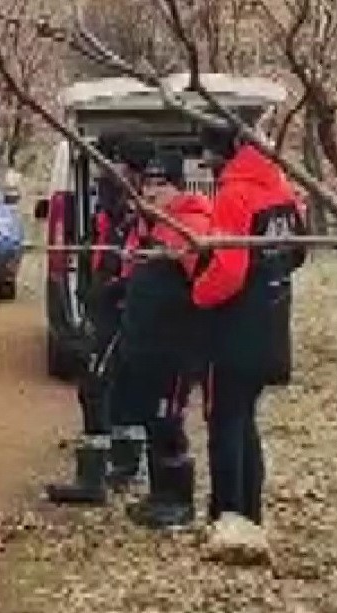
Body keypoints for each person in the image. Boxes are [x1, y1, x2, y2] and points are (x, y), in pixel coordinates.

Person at [131, 123, 309, 567]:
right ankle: (250, 511)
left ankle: (228, 516)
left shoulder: (236, 192)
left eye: (211, 159)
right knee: (246, 421)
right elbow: (299, 249)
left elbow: (228, 269)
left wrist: (197, 296)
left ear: (227, 153)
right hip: (273, 319)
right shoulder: (280, 186)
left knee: (225, 422)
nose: (209, 168)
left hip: (233, 328)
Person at [44, 134, 151, 505]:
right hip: (107, 302)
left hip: (119, 307)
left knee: (95, 384)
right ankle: (120, 465)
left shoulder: (139, 208)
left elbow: (133, 257)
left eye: (111, 162)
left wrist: (114, 289)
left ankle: (95, 479)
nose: (103, 173)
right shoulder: (118, 203)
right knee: (115, 385)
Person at [115, 150, 210, 530]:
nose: (152, 191)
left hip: (175, 345)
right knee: (153, 421)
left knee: (168, 418)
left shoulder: (192, 225)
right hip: (146, 343)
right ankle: (159, 495)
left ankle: (178, 502)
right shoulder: (150, 226)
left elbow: (205, 283)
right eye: (148, 184)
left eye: (160, 184)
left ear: (177, 187)